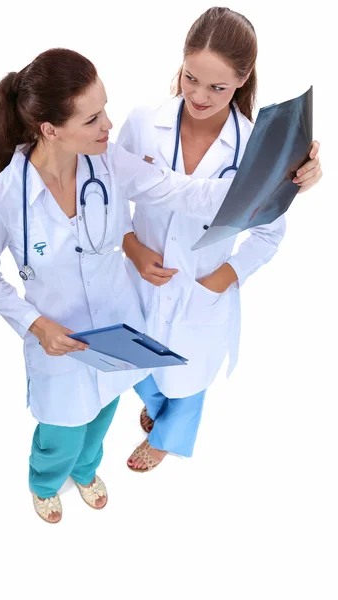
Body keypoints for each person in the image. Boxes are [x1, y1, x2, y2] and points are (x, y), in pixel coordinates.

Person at [0, 47, 240, 523]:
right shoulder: (0, 199)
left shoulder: (110, 163)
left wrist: (274, 181)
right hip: (60, 345)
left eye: (105, 108)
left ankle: (87, 471)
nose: (108, 125)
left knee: (103, 417)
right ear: (50, 129)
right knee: (62, 431)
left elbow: (183, 191)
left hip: (117, 330)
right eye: (92, 119)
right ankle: (45, 482)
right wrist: (34, 325)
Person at [117, 7, 323, 472]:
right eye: (191, 78)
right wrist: (131, 246)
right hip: (138, 276)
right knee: (133, 358)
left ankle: (169, 436)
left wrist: (224, 277)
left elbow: (269, 231)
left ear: (243, 79)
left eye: (218, 87)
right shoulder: (144, 121)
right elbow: (109, 195)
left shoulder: (255, 147)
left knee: (189, 377)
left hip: (201, 287)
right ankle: (155, 404)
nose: (198, 96)